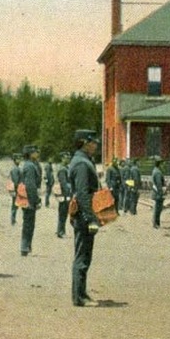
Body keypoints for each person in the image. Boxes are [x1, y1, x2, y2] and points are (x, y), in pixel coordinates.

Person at [69, 130, 103, 307]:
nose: (95, 145)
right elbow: (82, 194)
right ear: (83, 143)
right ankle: (78, 297)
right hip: (84, 216)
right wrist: (91, 219)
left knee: (85, 255)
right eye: (92, 142)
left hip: (84, 215)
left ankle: (81, 292)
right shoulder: (81, 163)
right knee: (82, 256)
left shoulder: (83, 160)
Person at [19, 144, 42, 256]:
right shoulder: (30, 166)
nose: (37, 153)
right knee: (28, 223)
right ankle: (25, 246)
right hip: (28, 198)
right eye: (35, 152)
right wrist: (36, 200)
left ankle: (27, 245)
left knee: (29, 223)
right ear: (30, 154)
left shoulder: (31, 165)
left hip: (28, 197)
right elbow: (30, 185)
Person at [55, 152, 72, 237]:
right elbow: (64, 184)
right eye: (66, 158)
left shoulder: (66, 168)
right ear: (62, 158)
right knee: (63, 213)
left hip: (65, 194)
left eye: (69, 158)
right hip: (64, 195)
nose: (68, 159)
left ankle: (60, 230)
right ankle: (61, 232)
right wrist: (68, 195)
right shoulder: (62, 169)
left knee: (63, 213)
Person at [8, 154, 22, 226]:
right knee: (14, 205)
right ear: (15, 160)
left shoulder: (16, 168)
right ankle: (12, 220)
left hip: (16, 188)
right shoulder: (15, 169)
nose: (19, 160)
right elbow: (16, 181)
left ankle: (13, 220)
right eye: (17, 159)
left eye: (19, 159)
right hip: (16, 188)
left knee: (15, 205)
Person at [151, 156, 165, 229]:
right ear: (159, 164)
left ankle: (156, 223)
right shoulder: (158, 172)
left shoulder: (155, 170)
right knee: (158, 209)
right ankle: (156, 223)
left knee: (157, 208)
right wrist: (161, 193)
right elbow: (159, 185)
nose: (163, 165)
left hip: (156, 192)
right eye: (162, 163)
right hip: (158, 193)